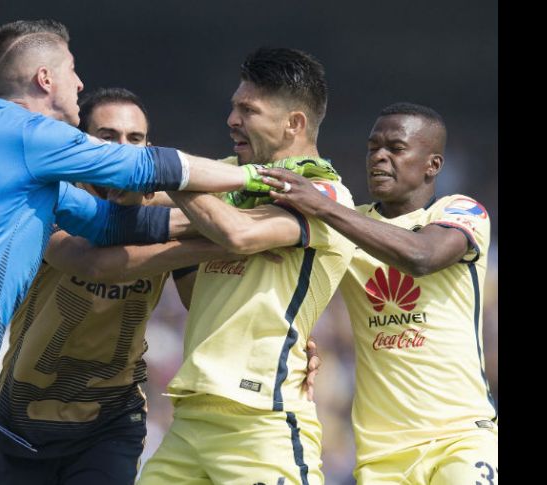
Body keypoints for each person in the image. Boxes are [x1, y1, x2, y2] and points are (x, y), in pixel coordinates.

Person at [0, 19, 281, 485]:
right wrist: (255, 180)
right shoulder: (28, 134)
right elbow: (145, 172)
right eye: (72, 70)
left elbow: (110, 224)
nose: (79, 82)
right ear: (45, 79)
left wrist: (238, 229)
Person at [0, 87, 323, 484]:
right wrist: (214, 241)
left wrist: (283, 333)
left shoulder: (166, 209)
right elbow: (91, 263)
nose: (123, 150)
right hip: (23, 416)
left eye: (135, 140)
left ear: (150, 149)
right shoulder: (52, 197)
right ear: (80, 143)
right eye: (107, 137)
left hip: (111, 419)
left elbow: (203, 301)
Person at [138, 47, 356, 485]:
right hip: (191, 415)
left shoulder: (325, 194)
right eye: (233, 107)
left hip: (262, 422)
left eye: (248, 109)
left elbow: (238, 234)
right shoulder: (228, 175)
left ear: (294, 123)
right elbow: (140, 196)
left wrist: (176, 176)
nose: (231, 119)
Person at [260, 102, 498, 484]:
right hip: (381, 454)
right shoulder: (349, 227)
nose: (379, 157)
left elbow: (422, 256)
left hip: (461, 437)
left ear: (432, 165)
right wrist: (302, 341)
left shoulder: (461, 212)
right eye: (373, 147)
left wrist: (322, 206)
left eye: (396, 149)